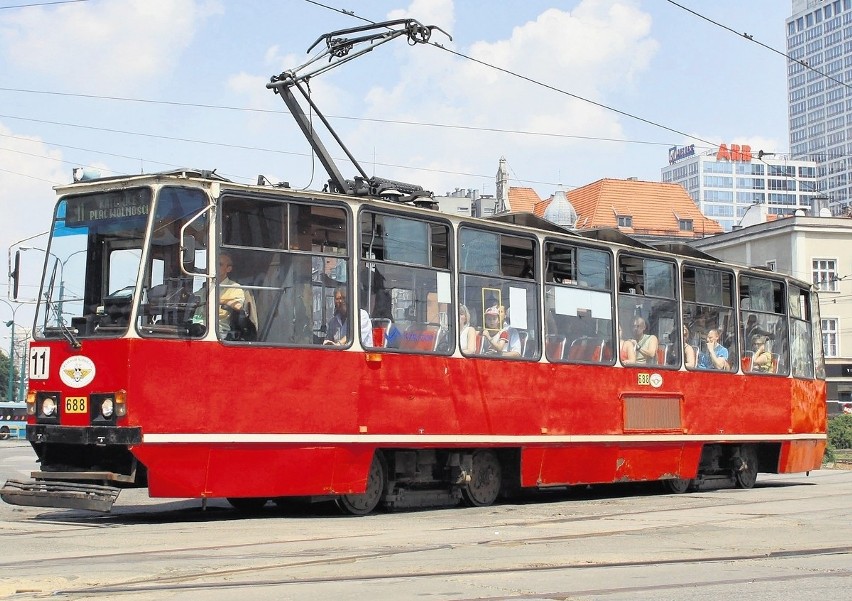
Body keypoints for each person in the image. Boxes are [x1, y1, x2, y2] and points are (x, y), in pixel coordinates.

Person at [216, 253, 247, 337]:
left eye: (220, 264)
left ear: (228, 269)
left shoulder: (234, 287)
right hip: (197, 326)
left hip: (220, 330)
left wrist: (218, 300)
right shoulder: (206, 287)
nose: (215, 266)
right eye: (214, 263)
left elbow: (238, 306)